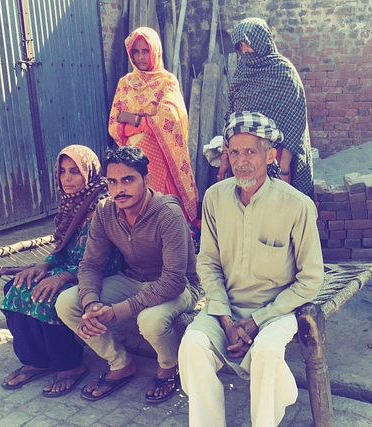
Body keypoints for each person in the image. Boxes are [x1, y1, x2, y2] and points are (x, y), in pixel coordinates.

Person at [179, 112, 324, 426]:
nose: (241, 161)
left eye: (251, 151)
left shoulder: (297, 205)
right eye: (234, 152)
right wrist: (226, 318)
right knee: (192, 345)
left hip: (276, 310)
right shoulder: (215, 198)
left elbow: (311, 279)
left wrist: (259, 320)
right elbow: (208, 262)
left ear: (270, 155)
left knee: (268, 352)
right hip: (225, 308)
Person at [55, 145, 201, 403]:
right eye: (112, 181)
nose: (119, 189)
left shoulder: (168, 213)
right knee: (67, 303)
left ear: (147, 180)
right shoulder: (105, 211)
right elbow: (90, 264)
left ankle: (169, 366)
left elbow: (174, 281)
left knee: (150, 320)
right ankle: (120, 363)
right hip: (132, 279)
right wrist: (92, 303)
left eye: (128, 180)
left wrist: (116, 311)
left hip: (180, 288)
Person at [1, 145, 121, 397]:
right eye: (63, 171)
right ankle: (38, 360)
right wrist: (43, 265)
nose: (66, 178)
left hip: (97, 273)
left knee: (51, 297)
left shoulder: (104, 206)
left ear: (89, 173)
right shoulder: (71, 203)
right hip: (67, 266)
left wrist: (65, 276)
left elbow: (113, 260)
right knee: (16, 287)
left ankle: (70, 366)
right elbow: (62, 247)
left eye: (75, 171)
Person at [108, 26, 199, 225]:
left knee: (160, 205)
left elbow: (170, 119)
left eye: (145, 51)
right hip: (131, 155)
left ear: (155, 51)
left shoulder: (167, 82)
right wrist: (146, 121)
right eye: (136, 51)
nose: (140, 57)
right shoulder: (125, 83)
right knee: (134, 202)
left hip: (160, 153)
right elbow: (115, 123)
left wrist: (134, 120)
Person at [217, 18, 314, 197]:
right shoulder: (242, 72)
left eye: (248, 44)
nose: (245, 50)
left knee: (279, 211)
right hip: (243, 159)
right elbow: (231, 117)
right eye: (240, 46)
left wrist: (283, 169)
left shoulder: (284, 72)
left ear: (262, 41)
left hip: (276, 158)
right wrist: (225, 158)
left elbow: (295, 125)